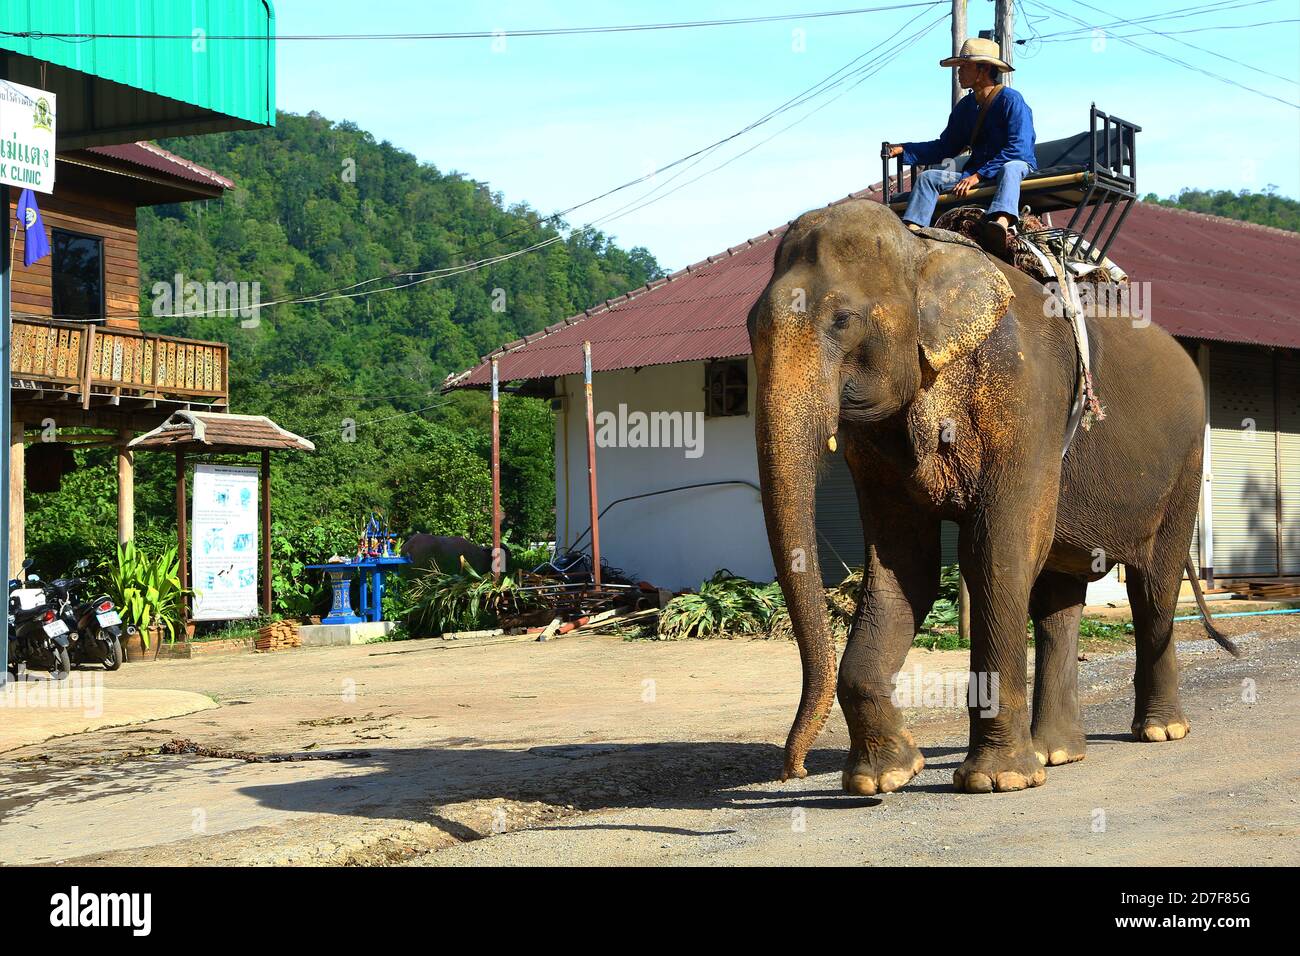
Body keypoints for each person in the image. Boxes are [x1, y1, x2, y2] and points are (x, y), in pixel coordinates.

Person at [884, 37, 1036, 257]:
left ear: (983, 69)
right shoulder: (965, 107)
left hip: (1010, 168)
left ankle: (1001, 223)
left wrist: (978, 175)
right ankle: (914, 231)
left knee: (1010, 168)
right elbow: (945, 147)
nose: (958, 72)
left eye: (964, 67)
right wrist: (905, 149)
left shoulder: (1011, 100)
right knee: (929, 178)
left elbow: (1018, 148)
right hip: (973, 174)